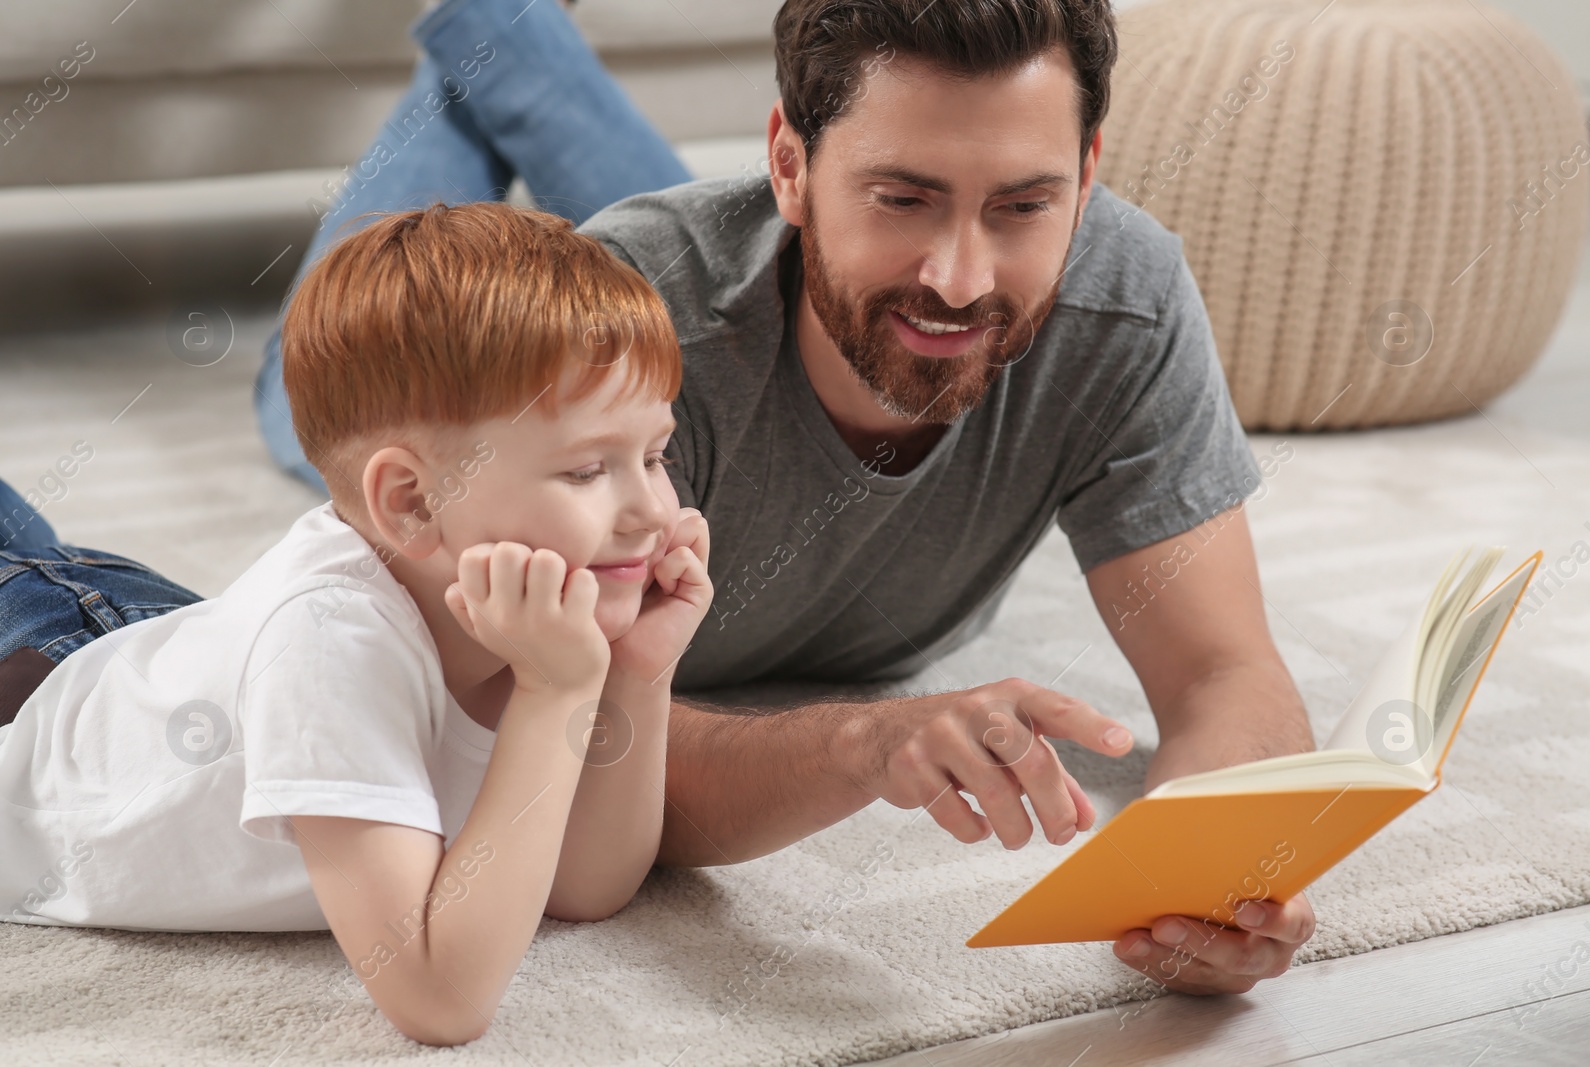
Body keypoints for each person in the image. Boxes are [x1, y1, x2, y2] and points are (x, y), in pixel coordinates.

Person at [91, 0, 1324, 994]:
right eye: (902, 196)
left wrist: (1218, 866)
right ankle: (493, 25)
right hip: (522, 360)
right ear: (787, 162)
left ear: (1088, 172)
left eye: (1023, 204)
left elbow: (1223, 668)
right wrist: (863, 739)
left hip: (733, 268)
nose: (961, 275)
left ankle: (515, 32)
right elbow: (563, 752)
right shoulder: (601, 379)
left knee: (731, 258)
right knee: (333, 355)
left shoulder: (1121, 300)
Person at [0, 202, 714, 1046]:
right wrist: (556, 692)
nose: (651, 510)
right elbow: (440, 995)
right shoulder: (327, 646)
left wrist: (636, 669)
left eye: (656, 455)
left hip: (156, 640)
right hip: (35, 686)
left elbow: (587, 886)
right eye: (590, 468)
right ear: (411, 504)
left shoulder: (530, 624)